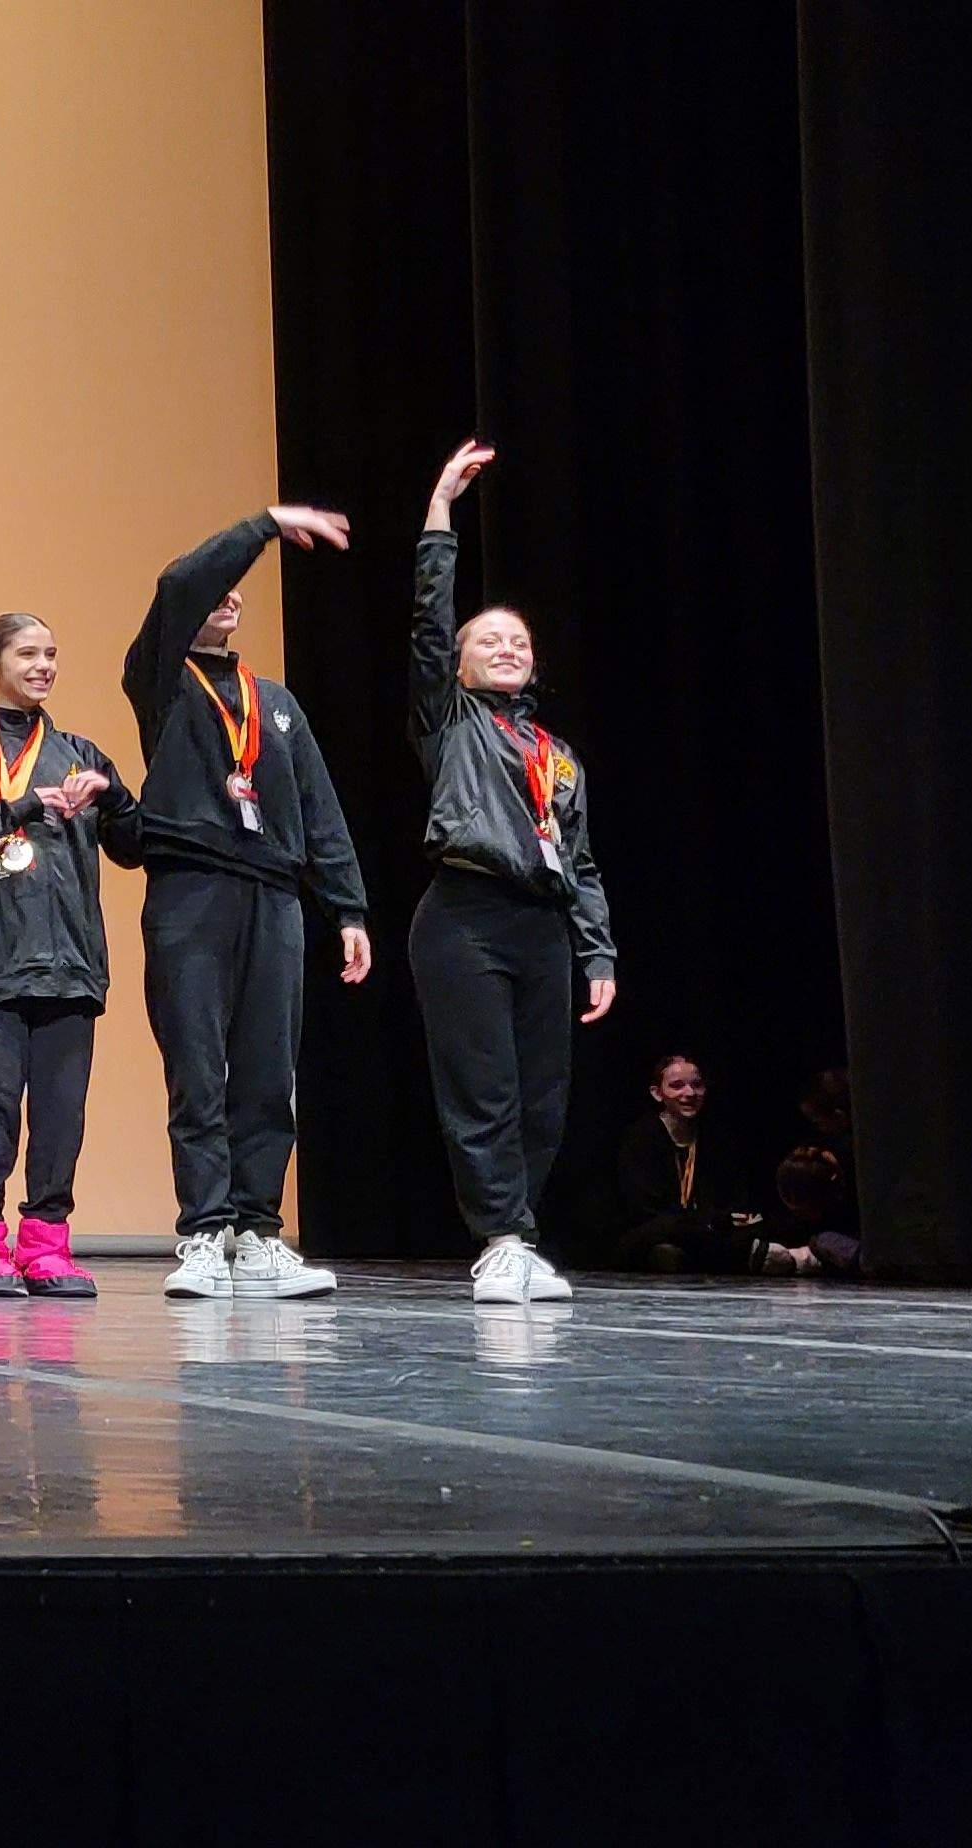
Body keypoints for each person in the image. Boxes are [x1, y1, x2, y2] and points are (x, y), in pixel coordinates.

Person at [119, 502, 366, 1301]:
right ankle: (203, 1232)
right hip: (191, 890)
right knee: (197, 1063)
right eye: (218, 589)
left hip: (275, 896)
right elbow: (180, 579)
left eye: (238, 593)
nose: (227, 597)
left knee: (267, 1069)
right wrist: (260, 527)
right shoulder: (159, 680)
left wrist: (349, 907)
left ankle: (258, 1231)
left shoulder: (280, 704)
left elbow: (319, 809)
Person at [408, 439, 618, 1304]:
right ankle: (499, 1237)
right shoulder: (448, 722)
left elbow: (583, 859)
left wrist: (597, 952)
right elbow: (428, 622)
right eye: (487, 639)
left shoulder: (556, 756)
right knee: (485, 1090)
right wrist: (439, 515)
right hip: (463, 917)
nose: (507, 647)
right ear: (456, 665)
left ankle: (521, 1232)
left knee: (544, 1102)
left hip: (541, 924)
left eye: (518, 640)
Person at [0, 611, 141, 1298]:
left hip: (73, 963)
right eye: (26, 654)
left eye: (50, 654)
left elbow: (134, 847)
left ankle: (47, 1242)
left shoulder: (83, 753)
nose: (42, 666)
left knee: (62, 1112)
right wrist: (11, 812)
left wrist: (117, 796)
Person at [606, 1053, 812, 1274]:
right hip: (661, 1229)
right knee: (668, 1241)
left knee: (763, 1224)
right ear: (658, 1094)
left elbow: (733, 1201)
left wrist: (719, 1220)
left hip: (711, 1228)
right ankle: (756, 1255)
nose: (689, 1093)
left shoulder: (716, 1138)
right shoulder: (641, 1139)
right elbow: (647, 1210)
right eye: (677, 1086)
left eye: (697, 1085)